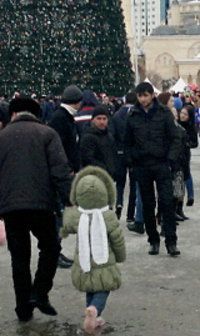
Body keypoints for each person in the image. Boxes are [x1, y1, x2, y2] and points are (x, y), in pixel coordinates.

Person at [0, 98, 73, 322]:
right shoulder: (48, 134)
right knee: (51, 247)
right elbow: (60, 170)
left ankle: (23, 308)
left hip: (11, 208)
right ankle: (39, 292)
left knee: (19, 258)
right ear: (36, 114)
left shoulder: (1, 138)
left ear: (12, 114)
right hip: (42, 204)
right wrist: (69, 200)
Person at [60, 166, 125, 334]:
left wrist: (63, 231)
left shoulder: (77, 216)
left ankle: (91, 313)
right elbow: (117, 238)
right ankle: (95, 310)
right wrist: (120, 255)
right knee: (103, 288)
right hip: (104, 262)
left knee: (90, 286)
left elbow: (66, 225)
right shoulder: (108, 216)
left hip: (84, 262)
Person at [124, 82, 182, 256]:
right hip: (142, 165)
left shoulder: (163, 113)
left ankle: (171, 241)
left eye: (146, 95)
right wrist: (131, 161)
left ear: (152, 95)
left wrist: (170, 158)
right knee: (148, 204)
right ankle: (153, 239)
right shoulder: (133, 115)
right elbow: (127, 141)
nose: (143, 99)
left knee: (167, 202)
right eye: (140, 96)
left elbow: (175, 137)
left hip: (161, 163)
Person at [49, 84, 84, 269]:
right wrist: (68, 168)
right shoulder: (61, 119)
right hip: (62, 173)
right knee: (59, 214)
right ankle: (54, 253)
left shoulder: (63, 117)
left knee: (61, 214)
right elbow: (60, 147)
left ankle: (55, 251)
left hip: (65, 170)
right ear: (78, 102)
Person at [111, 93, 138, 222]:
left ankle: (119, 202)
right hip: (133, 153)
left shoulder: (116, 115)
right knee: (133, 184)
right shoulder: (136, 114)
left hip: (119, 152)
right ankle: (130, 214)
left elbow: (113, 134)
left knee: (120, 182)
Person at [79, 105, 118, 178]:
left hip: (109, 176)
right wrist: (104, 169)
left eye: (104, 119)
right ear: (93, 120)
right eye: (99, 119)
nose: (102, 122)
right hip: (95, 177)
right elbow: (88, 159)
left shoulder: (109, 136)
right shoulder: (88, 137)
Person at [177, 104, 198, 218]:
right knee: (180, 180)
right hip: (177, 155)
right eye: (182, 113)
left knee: (186, 175)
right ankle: (179, 207)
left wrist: (187, 143)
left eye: (185, 114)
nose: (182, 116)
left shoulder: (191, 127)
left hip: (185, 154)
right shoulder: (177, 125)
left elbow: (195, 143)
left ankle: (188, 198)